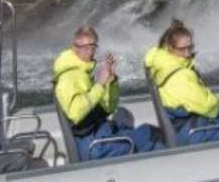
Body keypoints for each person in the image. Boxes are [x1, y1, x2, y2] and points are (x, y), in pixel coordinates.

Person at [53, 25, 156, 159]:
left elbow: (108, 108)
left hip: (99, 133)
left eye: (93, 47)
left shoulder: (83, 72)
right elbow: (76, 112)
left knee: (139, 125)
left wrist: (111, 81)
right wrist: (100, 83)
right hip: (93, 145)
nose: (90, 51)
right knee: (149, 136)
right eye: (86, 47)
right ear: (75, 47)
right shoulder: (69, 77)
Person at [143, 21, 219, 143]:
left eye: (190, 47)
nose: (187, 53)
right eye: (182, 49)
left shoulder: (164, 63)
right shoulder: (178, 74)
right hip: (188, 130)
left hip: (182, 124)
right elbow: (205, 106)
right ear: (170, 47)